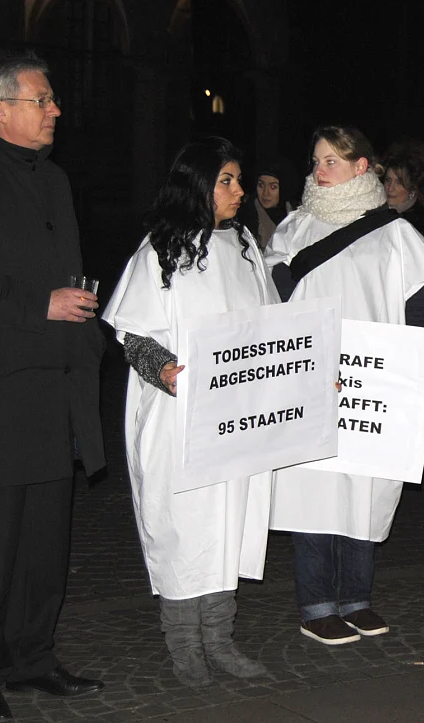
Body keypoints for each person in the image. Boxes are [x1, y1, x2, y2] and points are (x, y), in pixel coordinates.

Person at [0, 52, 105, 723]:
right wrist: (39, 303)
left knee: (43, 543)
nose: (55, 109)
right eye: (43, 99)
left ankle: (32, 657)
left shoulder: (55, 181)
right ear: (1, 108)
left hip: (54, 389)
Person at [102, 138, 276, 687]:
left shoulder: (246, 244)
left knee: (229, 526)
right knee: (182, 526)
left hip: (236, 418)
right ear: (197, 184)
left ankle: (220, 641)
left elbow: (272, 328)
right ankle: (184, 648)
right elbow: (131, 333)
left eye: (239, 180)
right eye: (226, 180)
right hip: (178, 419)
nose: (239, 191)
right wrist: (165, 368)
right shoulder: (161, 250)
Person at [265, 125, 424, 645]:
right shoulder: (295, 229)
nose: (318, 170)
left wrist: (417, 379)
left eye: (331, 161)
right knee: (314, 488)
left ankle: (357, 599)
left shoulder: (394, 233)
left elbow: (418, 311)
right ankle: (318, 603)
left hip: (375, 383)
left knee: (365, 487)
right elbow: (272, 299)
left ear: (362, 166)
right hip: (313, 380)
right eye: (316, 160)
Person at [382, 138, 424, 258]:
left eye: (399, 182)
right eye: (388, 180)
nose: (390, 188)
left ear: (412, 188)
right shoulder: (376, 217)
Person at [239, 160, 298, 250]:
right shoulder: (248, 217)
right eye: (261, 185)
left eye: (273, 187)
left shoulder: (295, 213)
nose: (265, 193)